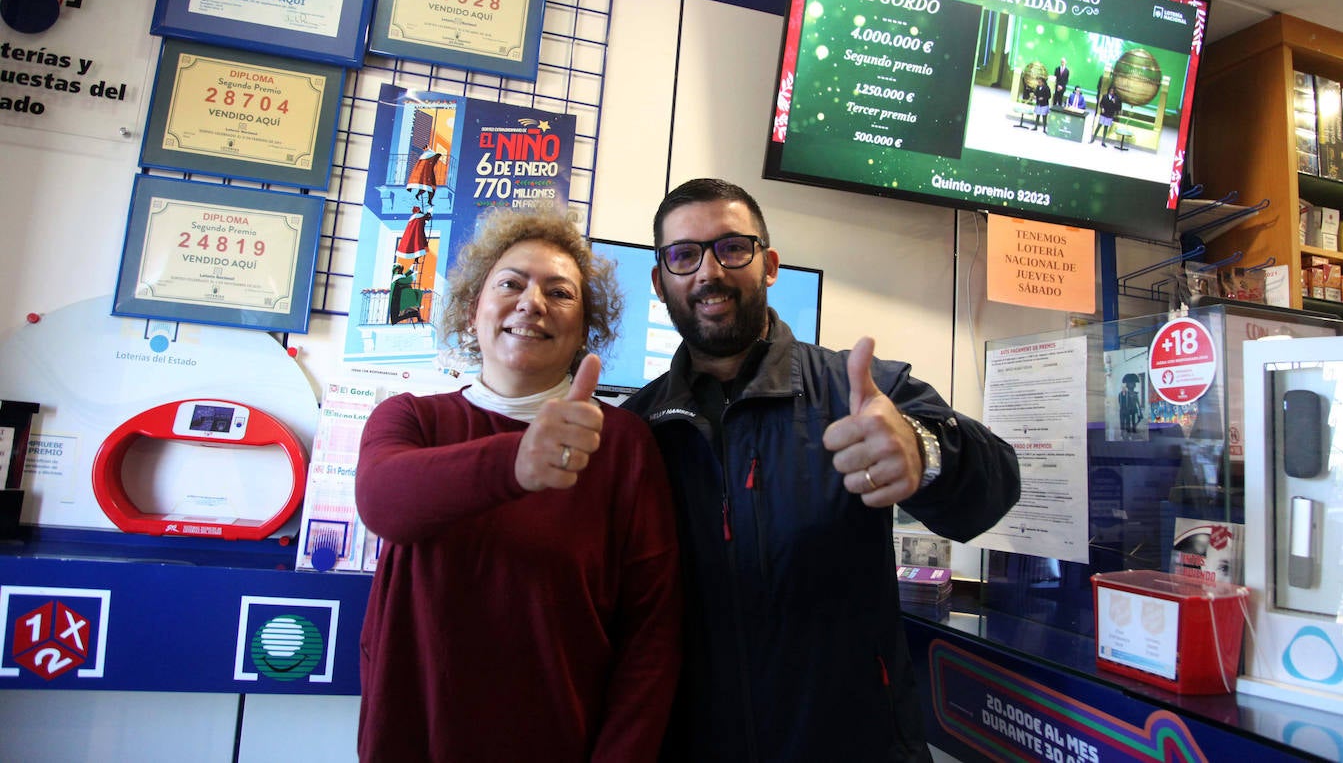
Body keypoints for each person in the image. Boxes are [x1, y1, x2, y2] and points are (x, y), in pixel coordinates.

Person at [624, 178, 1021, 763]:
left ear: (769, 266)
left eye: (731, 247)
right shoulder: (636, 431)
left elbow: (995, 487)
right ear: (661, 282)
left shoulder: (859, 391)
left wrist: (924, 452)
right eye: (684, 255)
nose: (709, 271)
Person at [355, 205, 682, 762]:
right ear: (471, 311)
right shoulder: (412, 418)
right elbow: (383, 501)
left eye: (560, 293)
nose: (532, 302)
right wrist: (515, 463)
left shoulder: (622, 443)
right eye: (511, 284)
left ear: (584, 331)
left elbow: (651, 634)